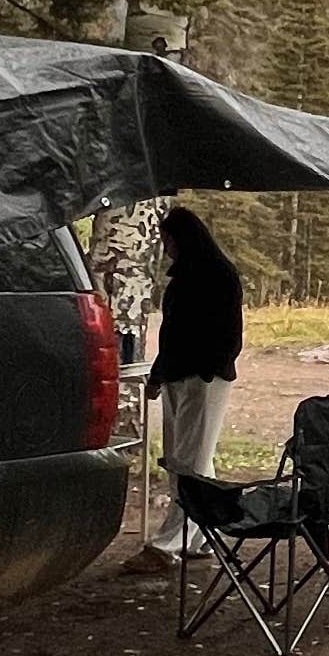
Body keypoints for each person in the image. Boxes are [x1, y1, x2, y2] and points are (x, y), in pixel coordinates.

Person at [140, 204, 242, 557]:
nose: (166, 247)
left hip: (203, 377)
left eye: (168, 240)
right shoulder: (186, 277)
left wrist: (208, 367)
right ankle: (200, 536)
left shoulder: (217, 275)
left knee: (190, 462)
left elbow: (228, 333)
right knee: (187, 457)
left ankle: (171, 541)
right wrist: (159, 374)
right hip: (178, 374)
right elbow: (172, 334)